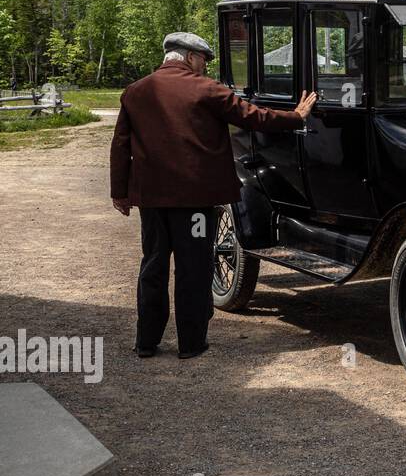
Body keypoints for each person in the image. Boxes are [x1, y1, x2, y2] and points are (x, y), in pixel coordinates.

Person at [110, 32, 316, 359]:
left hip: (152, 201)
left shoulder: (136, 92)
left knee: (153, 265)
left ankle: (146, 342)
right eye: (204, 60)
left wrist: (119, 192)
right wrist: (295, 117)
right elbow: (253, 117)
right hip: (194, 202)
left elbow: (120, 145)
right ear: (190, 57)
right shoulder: (207, 90)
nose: (205, 67)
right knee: (193, 268)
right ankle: (191, 344)